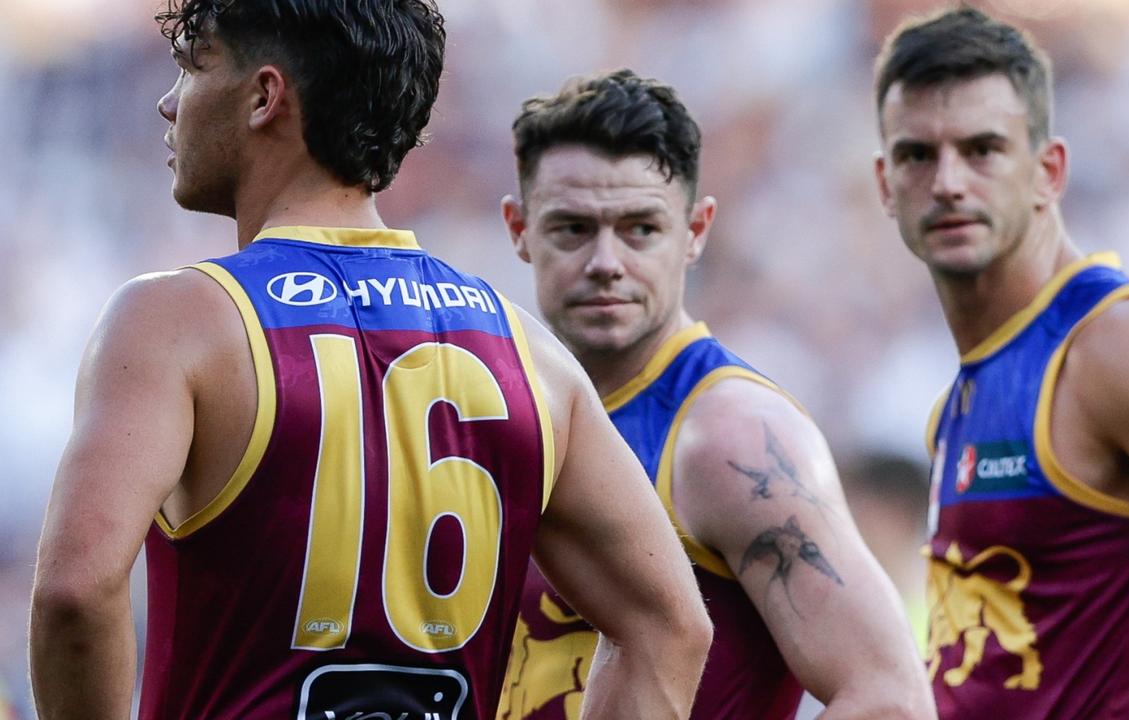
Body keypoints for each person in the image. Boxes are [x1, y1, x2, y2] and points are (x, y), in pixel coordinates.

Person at [28, 3, 712, 719]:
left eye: (192, 67)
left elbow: (77, 591)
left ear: (265, 97)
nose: (169, 104)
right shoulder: (531, 354)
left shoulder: (175, 321)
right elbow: (671, 626)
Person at [872, 7, 1129, 720]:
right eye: (917, 155)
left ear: (1048, 171)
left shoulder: (1118, 346)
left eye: (983, 149)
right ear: (884, 182)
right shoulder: (958, 402)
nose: (948, 182)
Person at [497, 69, 934, 720]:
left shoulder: (729, 437)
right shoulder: (512, 408)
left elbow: (889, 698)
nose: (606, 261)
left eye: (641, 228)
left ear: (697, 230)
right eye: (572, 229)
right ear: (518, 228)